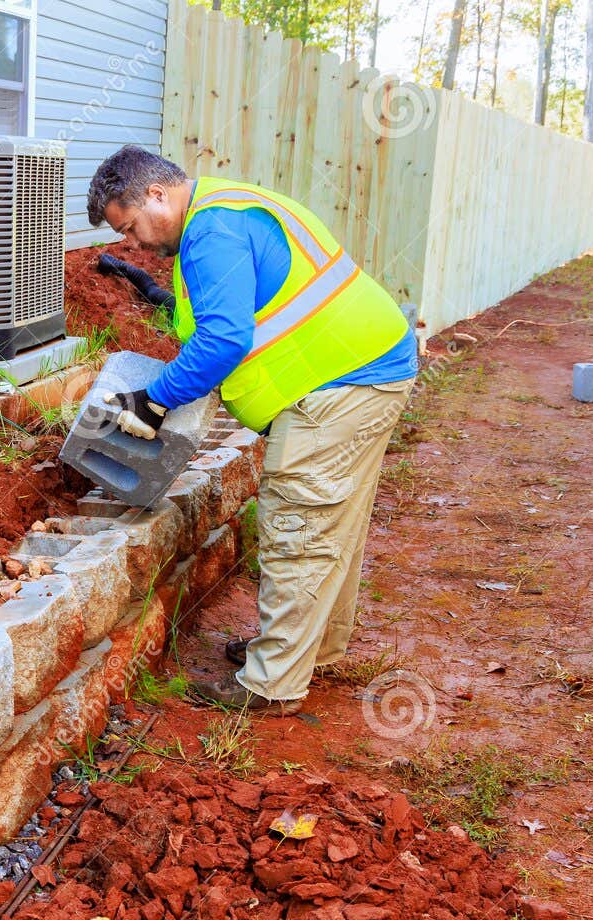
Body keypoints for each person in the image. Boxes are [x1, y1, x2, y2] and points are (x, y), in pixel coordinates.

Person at [86, 146, 418, 715]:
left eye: (131, 227)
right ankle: (310, 650)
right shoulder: (224, 208)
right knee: (332, 527)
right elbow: (232, 309)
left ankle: (273, 682)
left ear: (157, 195)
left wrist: (154, 401)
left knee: (299, 528)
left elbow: (224, 340)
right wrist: (149, 290)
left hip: (339, 386)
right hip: (366, 371)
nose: (134, 244)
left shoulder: (211, 233)